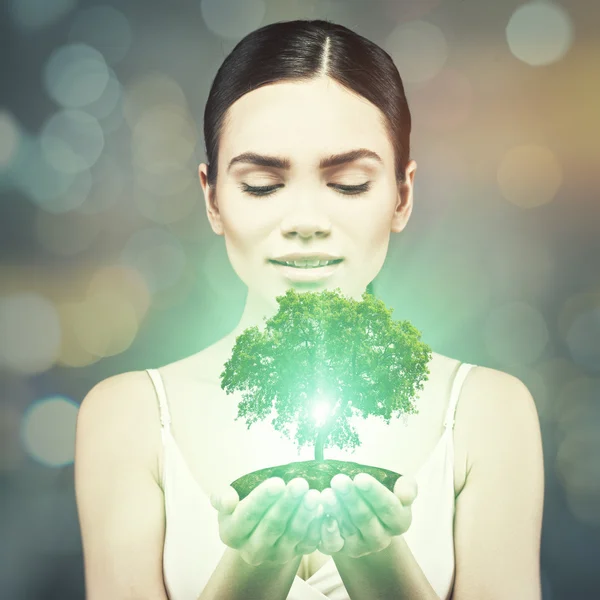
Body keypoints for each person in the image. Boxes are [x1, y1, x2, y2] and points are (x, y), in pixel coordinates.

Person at [74, 19, 545, 600]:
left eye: (348, 183)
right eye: (262, 185)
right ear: (212, 198)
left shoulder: (485, 412)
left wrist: (379, 562)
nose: (304, 222)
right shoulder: (130, 417)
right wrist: (249, 571)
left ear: (402, 195)